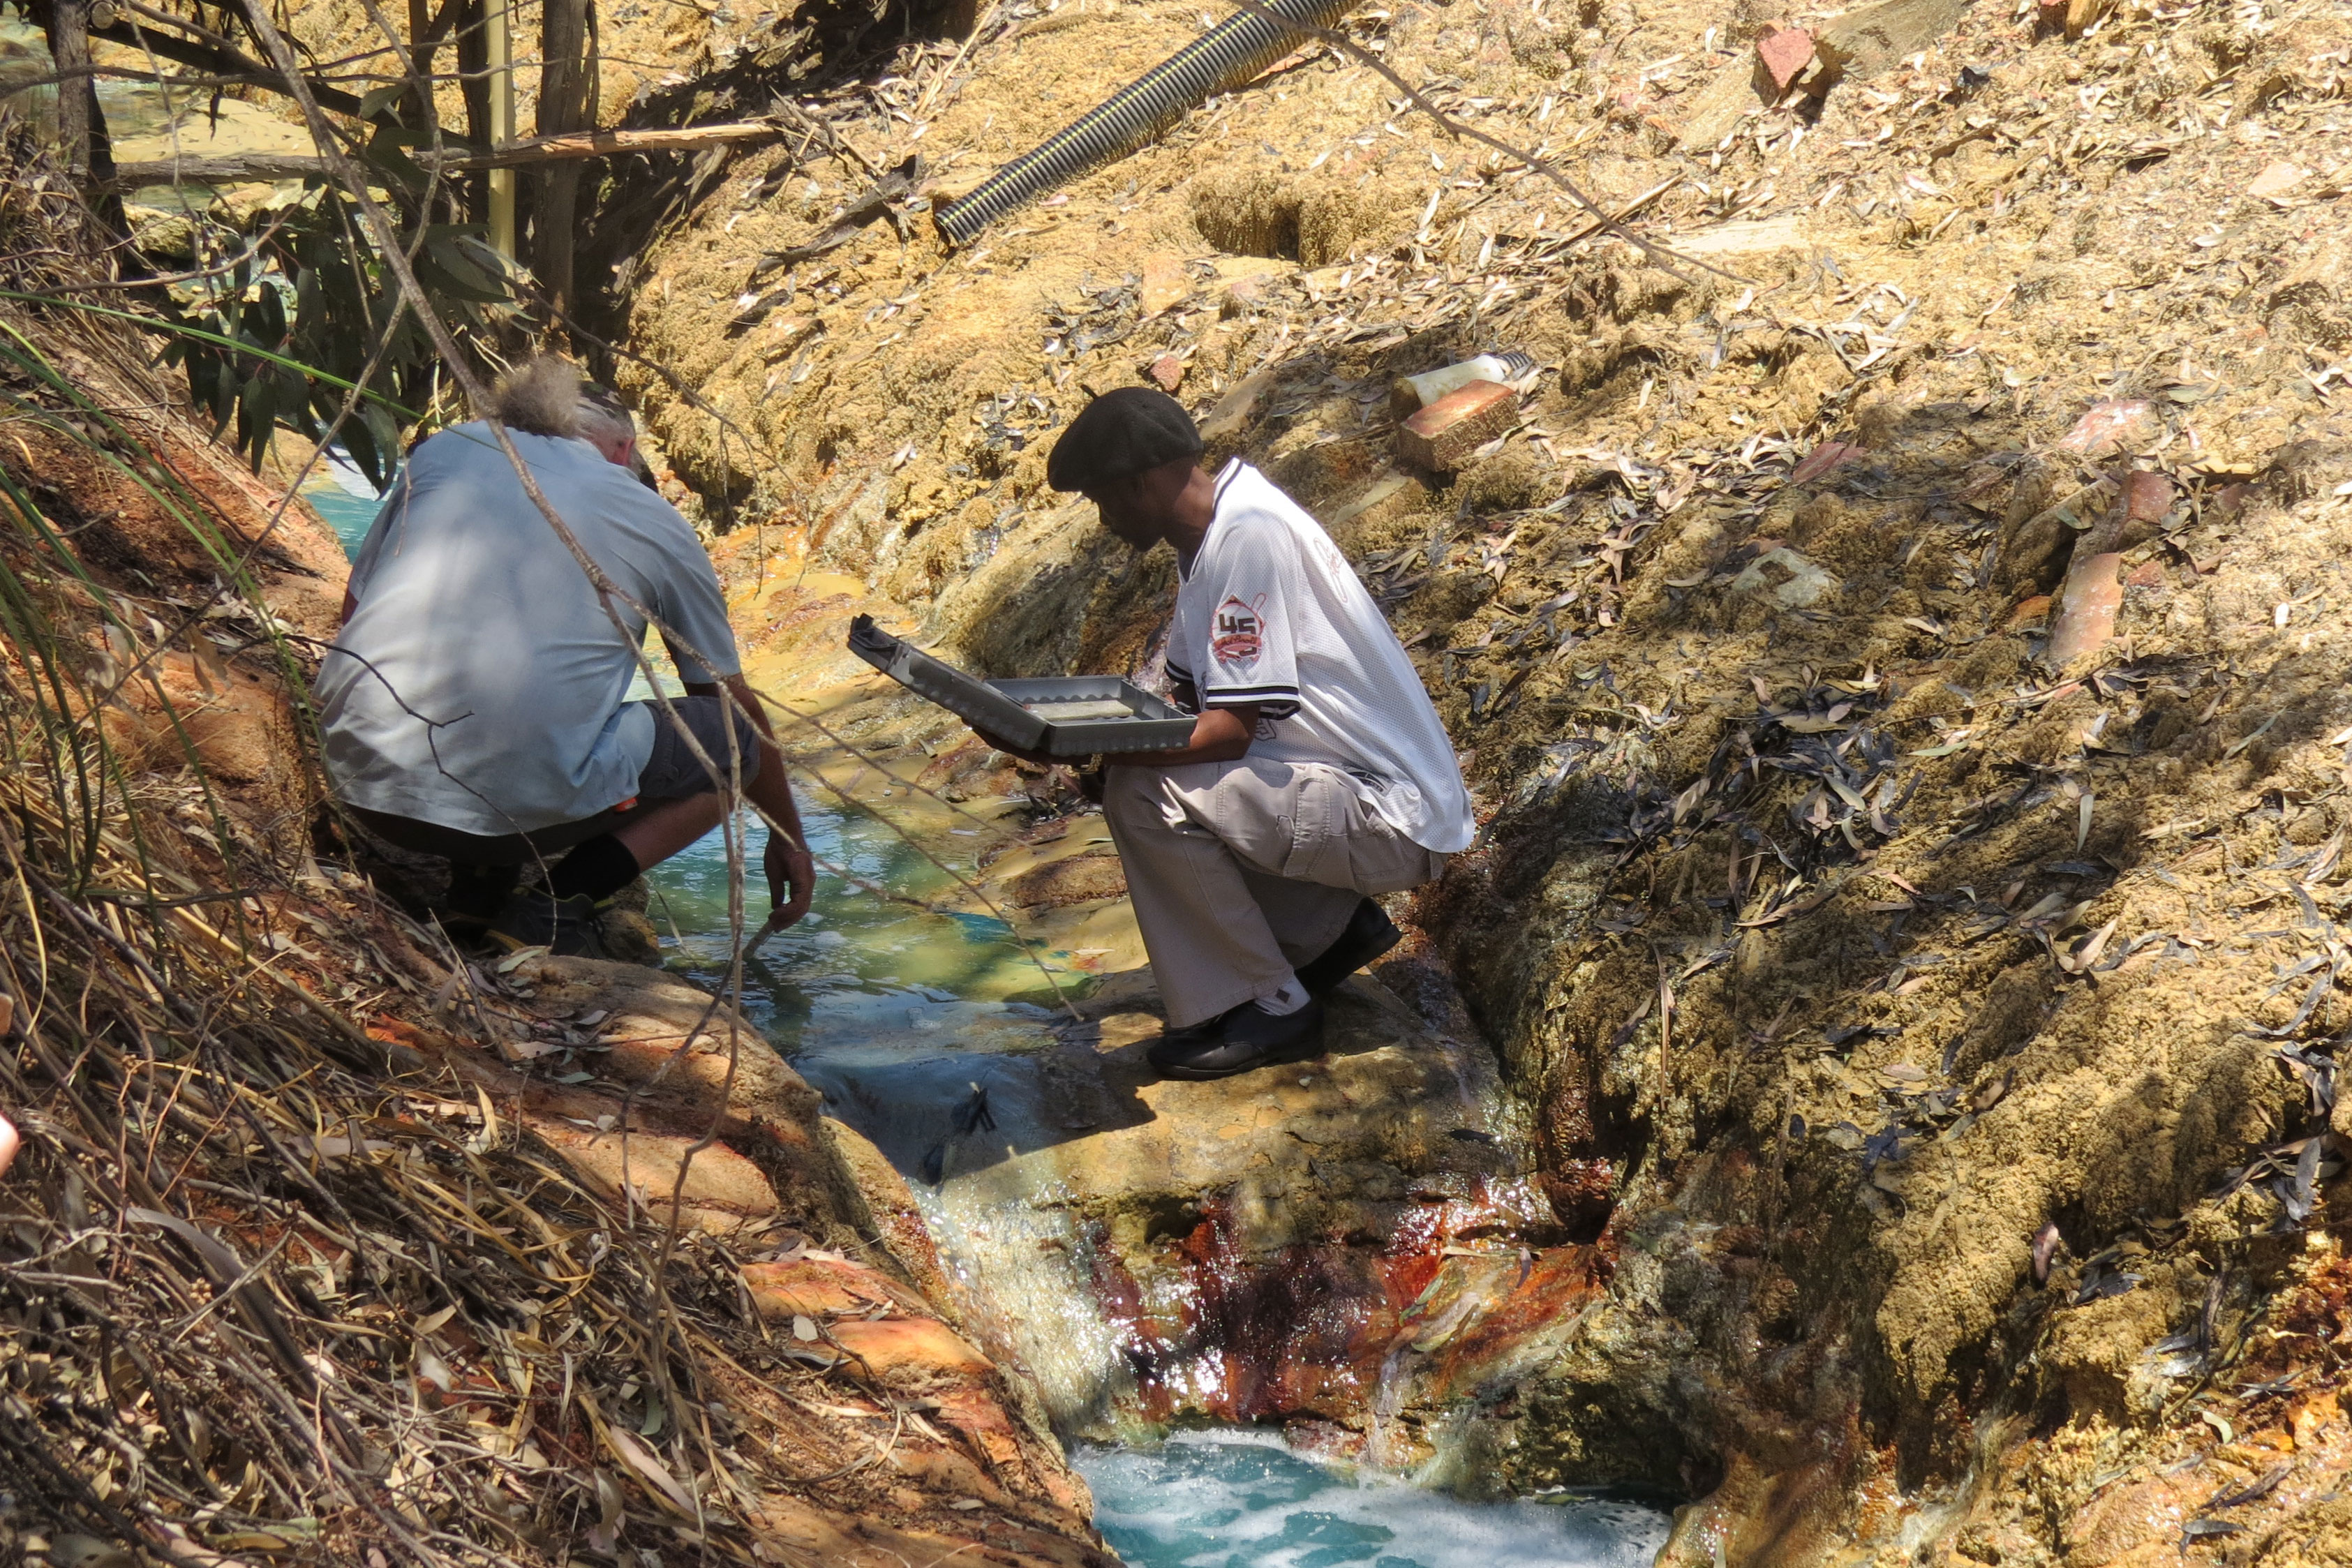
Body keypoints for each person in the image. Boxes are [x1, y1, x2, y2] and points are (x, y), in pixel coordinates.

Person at [1005, 387, 1473, 1080]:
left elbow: (1224, 734)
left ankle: (1277, 1005)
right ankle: (1327, 932)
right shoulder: (1209, 538)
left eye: (1104, 500)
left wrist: (1084, 743)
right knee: (1128, 778)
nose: (1104, 520)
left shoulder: (1246, 536)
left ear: (1140, 481)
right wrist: (1074, 741)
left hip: (1392, 814)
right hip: (1350, 794)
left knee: (1143, 790)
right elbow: (1193, 712)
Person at [315, 357, 814, 956]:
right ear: (624, 448)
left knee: (487, 670)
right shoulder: (653, 516)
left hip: (364, 784)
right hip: (504, 807)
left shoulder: (443, 451)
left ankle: (475, 888)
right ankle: (556, 905)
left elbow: (356, 609)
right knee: (730, 740)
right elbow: (725, 700)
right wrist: (788, 835)